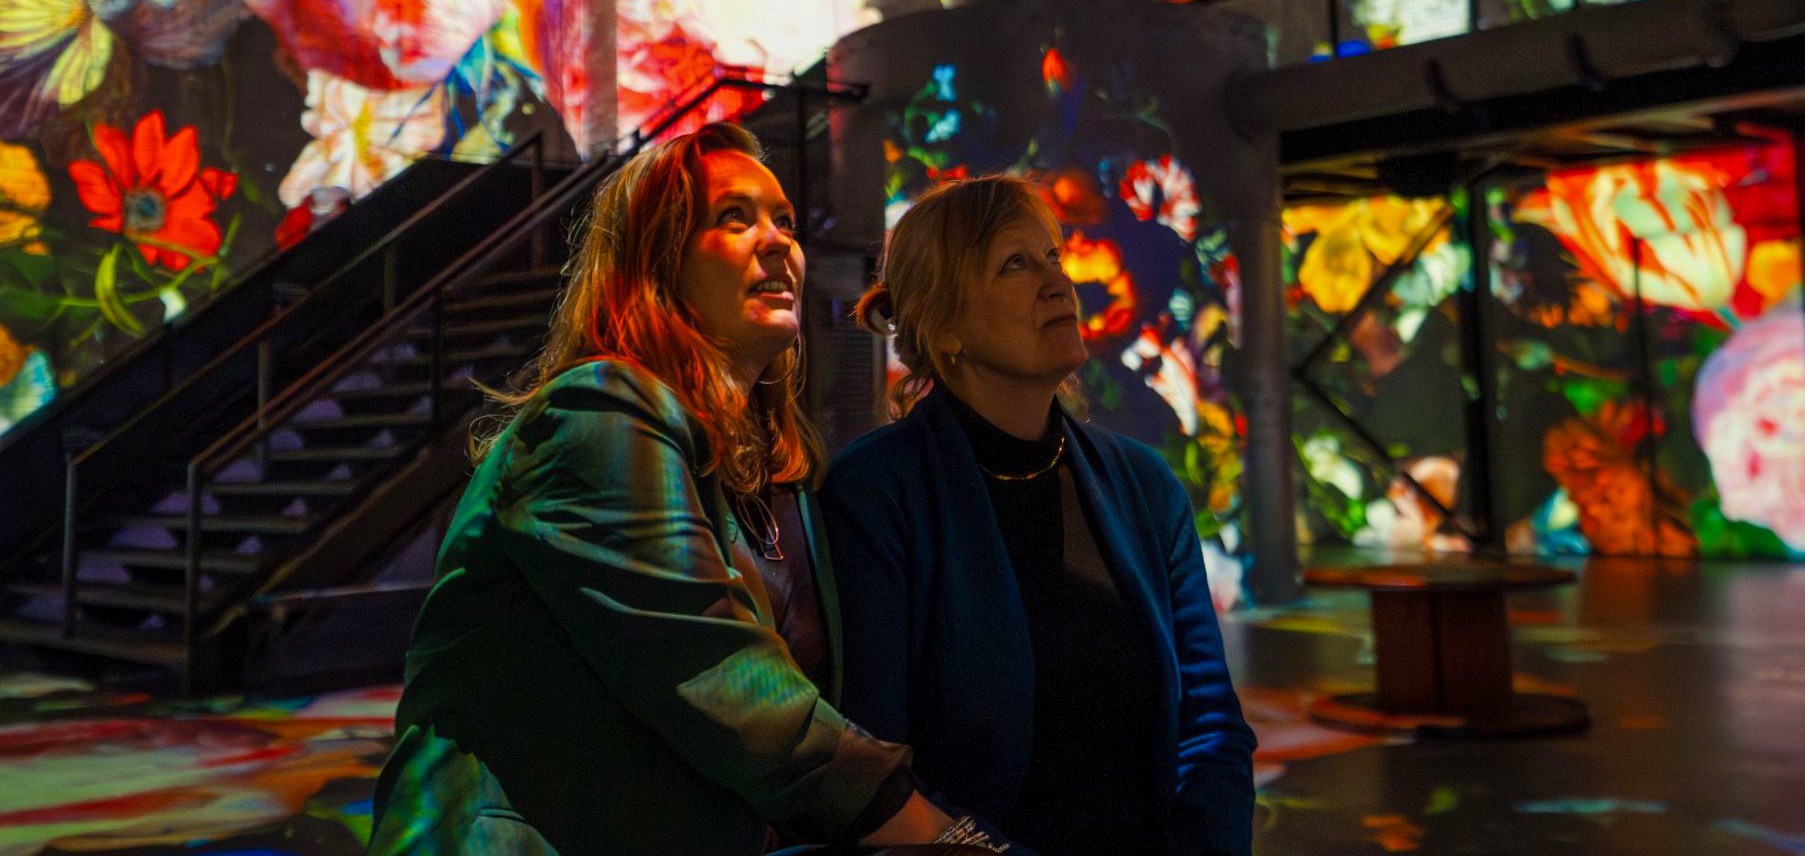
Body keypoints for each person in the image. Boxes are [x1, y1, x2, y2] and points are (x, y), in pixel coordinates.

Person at [367, 123, 1011, 856]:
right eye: (734, 219)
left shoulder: (776, 474)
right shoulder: (600, 411)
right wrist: (934, 831)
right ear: (655, 264)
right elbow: (717, 672)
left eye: (785, 222)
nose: (779, 243)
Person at [821, 176, 1258, 856]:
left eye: (1052, 256)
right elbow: (878, 765)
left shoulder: (1146, 486)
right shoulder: (877, 493)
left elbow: (1209, 727)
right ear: (946, 327)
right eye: (1015, 264)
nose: (1059, 283)